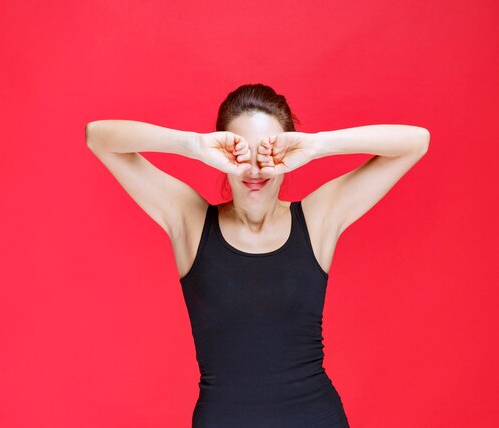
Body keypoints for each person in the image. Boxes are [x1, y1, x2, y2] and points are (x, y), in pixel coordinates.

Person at [85, 83, 430, 427]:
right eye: (239, 152)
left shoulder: (317, 218)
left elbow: (416, 143)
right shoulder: (189, 219)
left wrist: (316, 145)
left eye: (267, 152)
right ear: (220, 153)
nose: (254, 169)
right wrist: (192, 144)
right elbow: (97, 137)